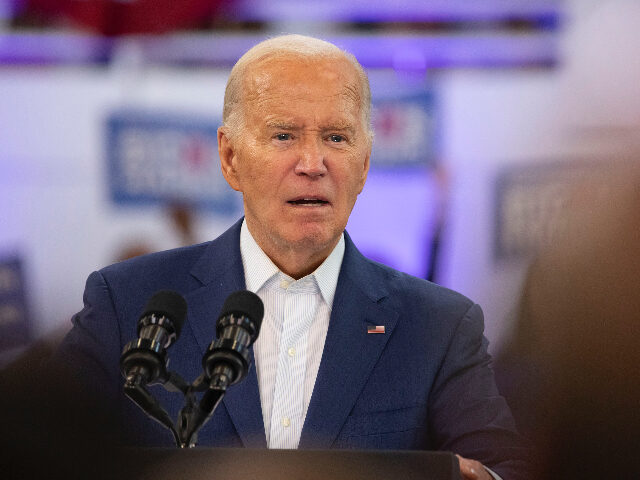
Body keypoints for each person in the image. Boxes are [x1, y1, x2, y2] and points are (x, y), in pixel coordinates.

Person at [56, 35, 529, 480]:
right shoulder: (125, 303)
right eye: (284, 136)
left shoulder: (439, 326)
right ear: (229, 157)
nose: (312, 162)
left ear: (364, 165)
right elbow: (40, 452)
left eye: (337, 138)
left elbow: (501, 469)